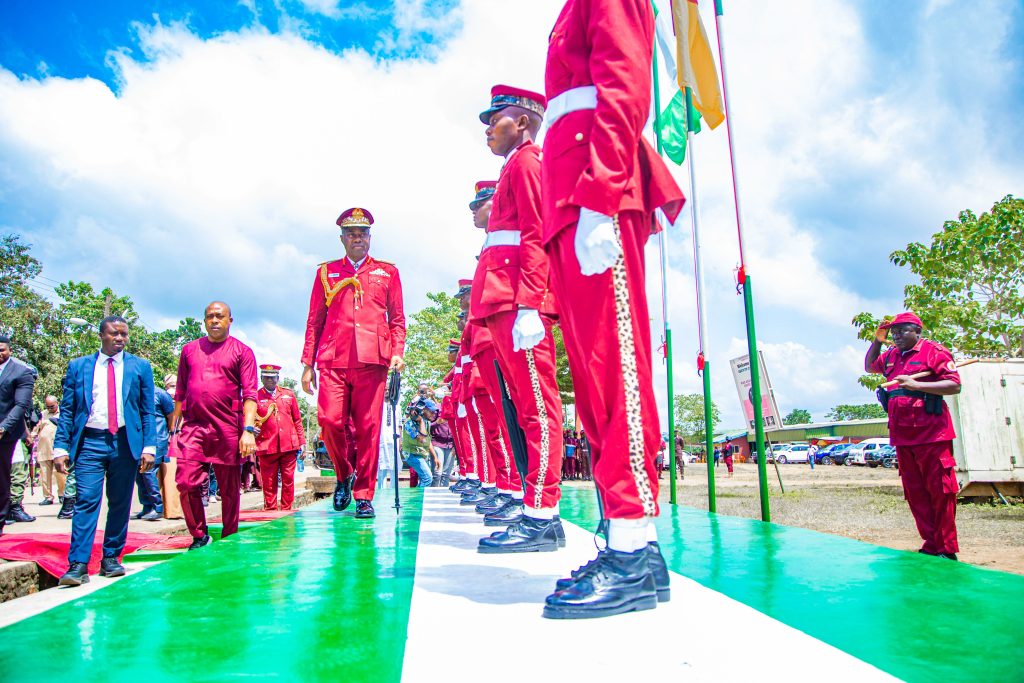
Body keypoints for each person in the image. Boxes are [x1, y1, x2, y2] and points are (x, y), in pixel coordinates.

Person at [540, 0, 685, 619]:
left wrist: (600, 197)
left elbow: (625, 81)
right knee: (597, 385)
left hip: (598, 192)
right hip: (573, 202)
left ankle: (629, 548)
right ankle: (636, 545)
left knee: (616, 373)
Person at [472, 87, 566, 554]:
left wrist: (531, 302)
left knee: (536, 409)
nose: (489, 128)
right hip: (501, 304)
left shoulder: (529, 162)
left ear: (523, 122)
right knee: (525, 410)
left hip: (516, 305)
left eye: (497, 119)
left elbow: (537, 233)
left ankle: (543, 514)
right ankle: (534, 508)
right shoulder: (512, 166)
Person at [302, 207, 406, 520]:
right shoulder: (326, 272)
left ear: (370, 238)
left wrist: (397, 351)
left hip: (372, 360)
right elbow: (314, 320)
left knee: (368, 429)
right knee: (330, 421)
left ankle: (363, 495)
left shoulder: (388, 272)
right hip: (333, 359)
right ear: (342, 239)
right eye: (351, 233)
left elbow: (397, 318)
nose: (357, 238)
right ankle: (344, 474)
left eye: (362, 233)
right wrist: (307, 362)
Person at [51, 316, 157, 585]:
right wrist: (60, 447)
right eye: (114, 333)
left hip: (125, 443)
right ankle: (78, 564)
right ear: (101, 335)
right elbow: (68, 410)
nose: (120, 338)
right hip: (90, 442)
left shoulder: (140, 367)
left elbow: (147, 411)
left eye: (124, 334)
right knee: (86, 500)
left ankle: (111, 558)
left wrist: (149, 447)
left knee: (120, 502)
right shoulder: (79, 367)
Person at [866, 311, 962, 560]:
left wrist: (917, 385)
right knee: (915, 493)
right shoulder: (891, 356)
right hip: (902, 434)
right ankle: (931, 544)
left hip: (932, 434)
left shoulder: (934, 352)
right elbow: (869, 366)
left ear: (917, 331)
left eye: (902, 331)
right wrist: (877, 340)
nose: (896, 336)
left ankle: (946, 548)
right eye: (893, 332)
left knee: (940, 491)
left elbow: (954, 384)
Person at [172, 302, 258, 550]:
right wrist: (173, 431)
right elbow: (180, 392)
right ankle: (199, 535)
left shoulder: (242, 351)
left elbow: (250, 394)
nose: (214, 320)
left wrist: (248, 431)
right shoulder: (189, 350)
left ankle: (230, 536)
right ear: (204, 320)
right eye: (209, 316)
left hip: (227, 427)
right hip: (193, 427)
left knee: (230, 489)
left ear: (230, 320)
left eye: (220, 316)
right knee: (186, 482)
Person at [254, 364, 305, 510]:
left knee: (288, 479)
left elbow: (297, 420)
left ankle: (286, 509)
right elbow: (249, 418)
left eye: (273, 377)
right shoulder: (256, 397)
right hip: (266, 445)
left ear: (278, 378)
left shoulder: (288, 395)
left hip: (288, 444)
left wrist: (302, 441)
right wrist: (252, 431)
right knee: (269, 481)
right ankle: (270, 510)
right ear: (262, 378)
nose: (270, 380)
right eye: (267, 377)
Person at [0, 335, 36, 536]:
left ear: (9, 350)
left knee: (2, 478)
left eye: (2, 349)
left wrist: (3, 428)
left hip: (5, 434)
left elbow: (20, 405)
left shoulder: (21, 373)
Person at [156, 374, 183, 519]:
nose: (172, 390)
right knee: (162, 476)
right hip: (164, 440)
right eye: (170, 386)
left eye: (174, 386)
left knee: (173, 477)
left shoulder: (184, 399)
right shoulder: (163, 398)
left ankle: (174, 511)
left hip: (178, 441)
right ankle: (161, 508)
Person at [31, 396, 64, 505]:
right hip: (44, 449)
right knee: (45, 475)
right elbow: (36, 429)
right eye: (48, 407)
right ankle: (48, 497)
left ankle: (62, 495)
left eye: (52, 406)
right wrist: (30, 437)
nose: (50, 408)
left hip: (57, 450)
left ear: (57, 403)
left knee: (60, 474)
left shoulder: (63, 413)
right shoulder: (42, 414)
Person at [402, 400, 437, 487]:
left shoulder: (426, 422)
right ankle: (416, 500)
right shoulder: (409, 423)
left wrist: (435, 457)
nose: (433, 414)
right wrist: (421, 422)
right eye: (431, 412)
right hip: (412, 454)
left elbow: (427, 441)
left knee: (424, 479)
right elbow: (422, 438)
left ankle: (419, 498)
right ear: (423, 410)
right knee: (427, 478)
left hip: (421, 454)